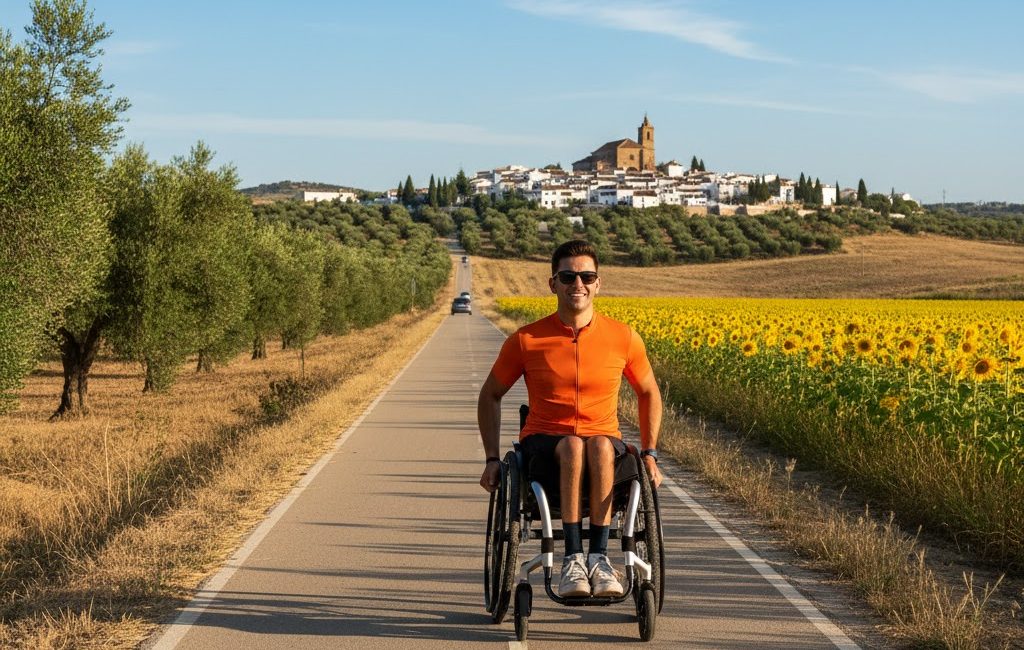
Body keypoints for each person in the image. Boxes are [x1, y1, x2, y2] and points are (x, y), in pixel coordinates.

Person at [478, 239, 663, 598]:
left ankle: (599, 558)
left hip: (603, 442)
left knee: (596, 445)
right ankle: (572, 558)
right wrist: (490, 459)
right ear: (553, 283)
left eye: (586, 276)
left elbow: (649, 392)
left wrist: (652, 453)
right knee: (576, 445)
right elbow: (490, 395)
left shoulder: (622, 337)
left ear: (598, 283)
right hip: (544, 445)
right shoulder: (527, 339)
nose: (577, 284)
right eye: (568, 276)